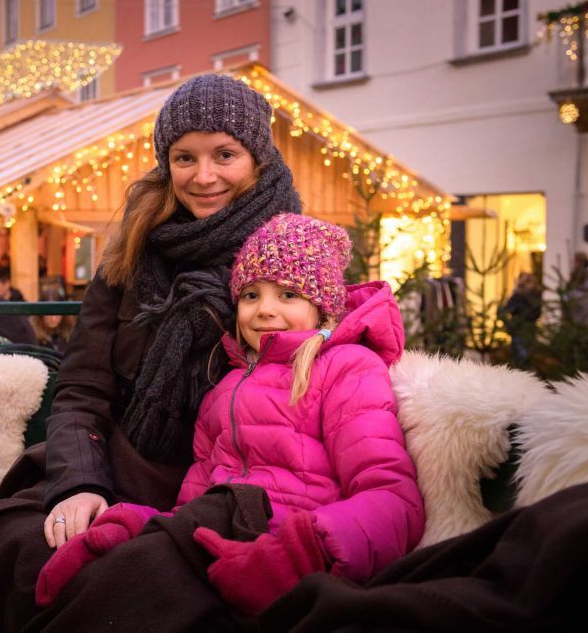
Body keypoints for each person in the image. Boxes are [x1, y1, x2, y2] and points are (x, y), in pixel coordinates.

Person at [0, 73, 303, 631]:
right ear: (166, 163)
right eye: (185, 158)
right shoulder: (133, 251)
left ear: (257, 158)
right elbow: (82, 388)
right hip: (120, 464)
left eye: (224, 154)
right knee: (12, 551)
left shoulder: (293, 254)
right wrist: (82, 483)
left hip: (228, 486)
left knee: (132, 587)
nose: (203, 177)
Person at [34, 214, 424, 614]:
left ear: (322, 307)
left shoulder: (346, 367)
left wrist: (304, 549)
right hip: (220, 537)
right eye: (251, 295)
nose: (265, 310)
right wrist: (135, 526)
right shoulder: (224, 386)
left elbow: (391, 498)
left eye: (288, 295)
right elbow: (194, 506)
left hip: (292, 546)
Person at [501, 271, 543, 368]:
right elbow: (537, 314)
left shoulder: (518, 296)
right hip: (531, 330)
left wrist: (509, 325)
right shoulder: (536, 296)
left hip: (518, 330)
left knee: (520, 360)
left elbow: (505, 311)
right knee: (528, 359)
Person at [31, 288, 75, 355]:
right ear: (40, 313)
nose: (53, 319)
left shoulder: (70, 331)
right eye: (49, 313)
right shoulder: (31, 335)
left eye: (58, 313)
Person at [564, 251, 588, 324]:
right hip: (579, 304)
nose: (575, 264)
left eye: (576, 261)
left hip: (585, 304)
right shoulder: (576, 273)